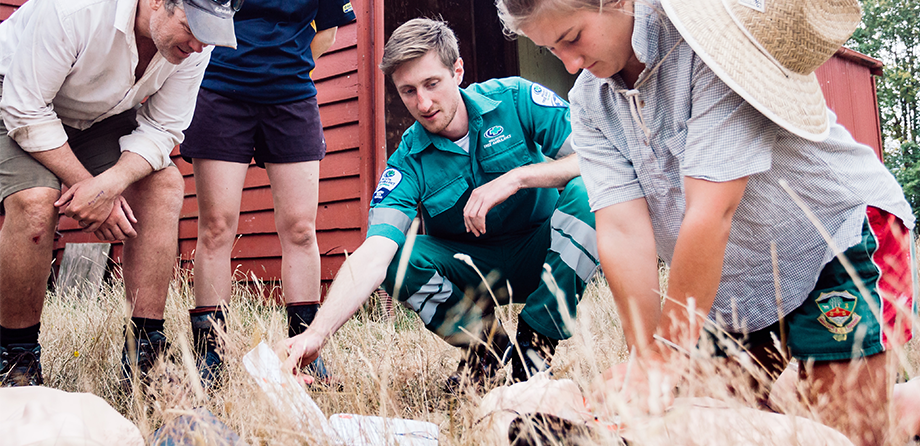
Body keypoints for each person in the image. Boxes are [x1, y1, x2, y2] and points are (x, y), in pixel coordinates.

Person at [496, 0, 914, 444]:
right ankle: (796, 389)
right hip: (735, 276)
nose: (571, 63)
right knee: (700, 416)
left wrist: (667, 356)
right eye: (550, 50)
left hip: (835, 238)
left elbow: (710, 213)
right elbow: (622, 230)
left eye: (573, 38)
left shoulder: (713, 51)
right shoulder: (589, 101)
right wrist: (646, 356)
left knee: (845, 436)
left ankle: (905, 404)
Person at [281, 18, 599, 390]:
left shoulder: (516, 99)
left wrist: (517, 177)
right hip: (472, 274)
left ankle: (536, 341)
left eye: (432, 84)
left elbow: (596, 159)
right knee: (396, 258)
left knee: (590, 191)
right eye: (408, 91)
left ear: (457, 70)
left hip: (541, 255)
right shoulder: (407, 162)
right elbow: (374, 253)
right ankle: (488, 351)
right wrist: (316, 333)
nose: (424, 103)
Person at [0, 0, 238, 387]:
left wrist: (108, 186)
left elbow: (162, 128)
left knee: (164, 185)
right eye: (191, 27)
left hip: (95, 116)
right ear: (159, 2)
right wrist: (87, 186)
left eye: (208, 34)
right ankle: (16, 357)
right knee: (35, 201)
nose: (198, 45)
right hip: (13, 98)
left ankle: (143, 352)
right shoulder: (73, 10)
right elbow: (25, 109)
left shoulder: (194, 48)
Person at [178, 0, 355, 387]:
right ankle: (213, 353)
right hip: (220, 90)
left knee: (300, 229)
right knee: (216, 228)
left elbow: (327, 31)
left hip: (291, 95)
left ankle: (303, 351)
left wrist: (281, 65)